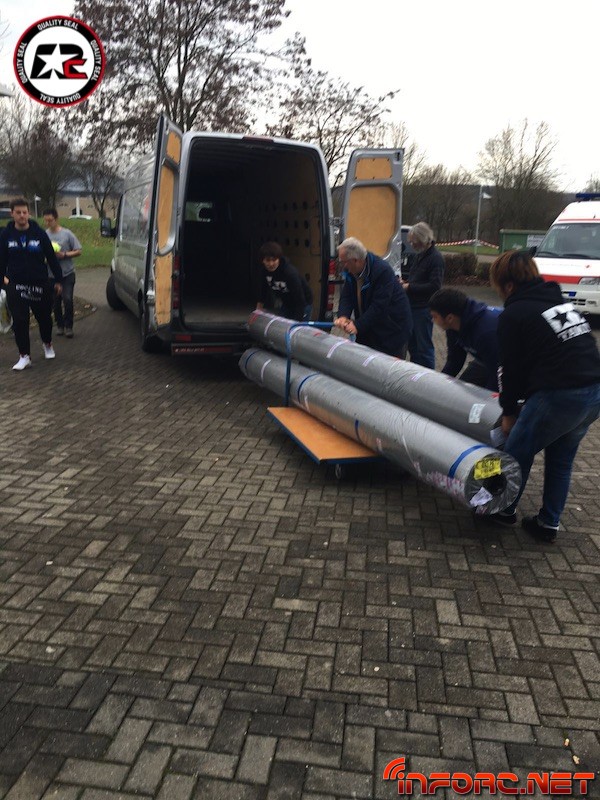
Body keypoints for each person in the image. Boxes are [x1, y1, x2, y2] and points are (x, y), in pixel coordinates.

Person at [487, 249, 600, 542]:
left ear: (508, 285)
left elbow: (511, 370)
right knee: (561, 460)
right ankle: (549, 523)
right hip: (593, 391)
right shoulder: (560, 302)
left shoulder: (514, 314)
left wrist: (509, 412)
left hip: (559, 394)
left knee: (516, 451)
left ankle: (503, 510)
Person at [0, 198, 63, 371]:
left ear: (29, 213)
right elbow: (1, 260)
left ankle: (47, 343)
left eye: (25, 212)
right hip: (16, 284)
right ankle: (24, 356)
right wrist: (2, 283)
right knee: (20, 321)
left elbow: (51, 258)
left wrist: (58, 280)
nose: (22, 216)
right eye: (18, 212)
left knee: (44, 318)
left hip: (39, 283)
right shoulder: (5, 235)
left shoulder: (39, 233)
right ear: (12, 214)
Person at [334, 237, 412, 358]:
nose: (343, 266)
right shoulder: (351, 273)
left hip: (391, 331)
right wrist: (343, 316)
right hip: (370, 327)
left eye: (344, 262)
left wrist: (358, 325)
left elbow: (379, 306)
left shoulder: (382, 271)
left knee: (385, 366)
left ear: (356, 260)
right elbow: (346, 297)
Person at [429, 288, 502, 390]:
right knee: (464, 389)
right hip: (486, 359)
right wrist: (439, 385)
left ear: (450, 318)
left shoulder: (485, 333)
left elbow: (498, 376)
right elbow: (455, 361)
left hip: (512, 360)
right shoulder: (452, 327)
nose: (432, 320)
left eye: (434, 316)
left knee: (488, 393)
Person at [401, 222, 444, 368]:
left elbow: (435, 286)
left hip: (423, 309)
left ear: (423, 239)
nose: (411, 245)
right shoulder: (420, 256)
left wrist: (410, 287)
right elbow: (417, 279)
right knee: (413, 347)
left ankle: (428, 376)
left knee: (424, 348)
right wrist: (406, 282)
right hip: (412, 307)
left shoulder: (436, 258)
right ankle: (415, 373)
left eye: (414, 242)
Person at [43, 208, 81, 338]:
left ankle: (69, 326)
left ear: (56, 219)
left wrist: (64, 254)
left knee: (67, 299)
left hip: (67, 273)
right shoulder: (44, 235)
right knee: (55, 301)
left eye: (50, 220)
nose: (48, 223)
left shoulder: (67, 234)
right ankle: (60, 325)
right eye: (46, 221)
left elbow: (78, 250)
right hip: (51, 274)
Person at [256, 241, 313, 321]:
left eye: (274, 260)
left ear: (279, 259)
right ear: (263, 260)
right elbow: (263, 290)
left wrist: (298, 321)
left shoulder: (289, 273)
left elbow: (300, 299)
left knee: (296, 326)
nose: (271, 264)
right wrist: (259, 309)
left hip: (303, 303)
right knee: (281, 323)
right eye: (268, 260)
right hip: (286, 303)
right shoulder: (264, 272)